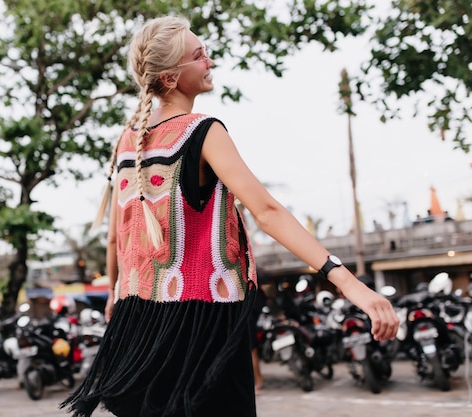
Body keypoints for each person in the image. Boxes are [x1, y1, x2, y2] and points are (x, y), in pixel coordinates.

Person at [59, 15, 399, 417]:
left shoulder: (128, 140)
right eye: (199, 55)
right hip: (200, 318)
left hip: (136, 313)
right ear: (170, 78)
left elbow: (117, 235)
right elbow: (267, 211)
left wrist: (116, 296)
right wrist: (347, 282)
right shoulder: (202, 131)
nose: (210, 61)